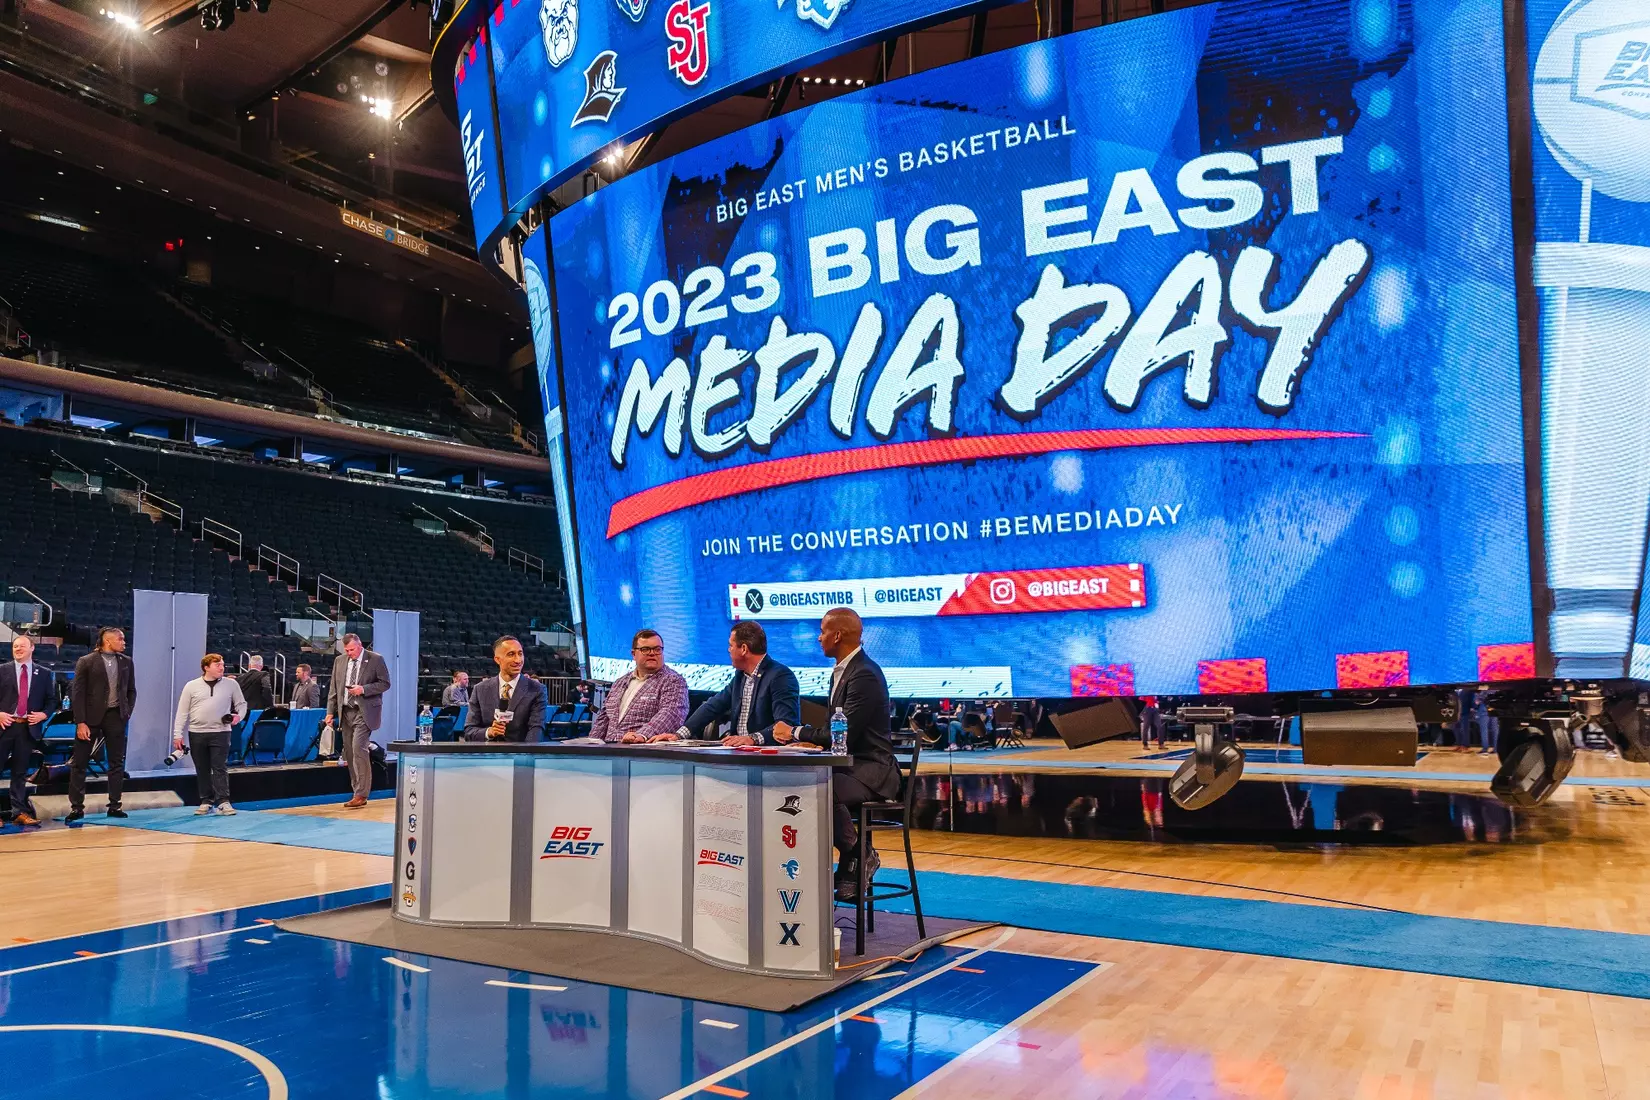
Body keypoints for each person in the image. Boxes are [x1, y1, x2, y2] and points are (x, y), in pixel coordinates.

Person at [772, 608, 899, 902]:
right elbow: (837, 733)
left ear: (838, 635)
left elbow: (842, 732)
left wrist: (796, 732)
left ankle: (856, 853)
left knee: (819, 790)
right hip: (850, 765)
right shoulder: (843, 672)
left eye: (823, 631)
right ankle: (855, 855)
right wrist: (815, 744)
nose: (819, 638)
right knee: (806, 785)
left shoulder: (864, 674)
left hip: (872, 771)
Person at [664, 622, 799, 745]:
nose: (729, 650)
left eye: (731, 645)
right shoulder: (740, 676)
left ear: (744, 649)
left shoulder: (780, 676)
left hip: (768, 756)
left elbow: (786, 724)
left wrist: (752, 739)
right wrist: (678, 735)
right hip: (739, 753)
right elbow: (713, 706)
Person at [68, 626, 136, 823]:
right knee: (79, 763)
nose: (124, 643)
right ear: (108, 641)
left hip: (115, 716)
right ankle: (77, 808)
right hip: (89, 718)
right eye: (121, 640)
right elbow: (78, 693)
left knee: (116, 763)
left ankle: (115, 806)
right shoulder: (86, 661)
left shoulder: (127, 662)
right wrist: (80, 722)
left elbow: (131, 690)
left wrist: (127, 711)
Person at [172, 653, 248, 815]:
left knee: (219, 766)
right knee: (202, 768)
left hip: (221, 732)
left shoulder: (231, 684)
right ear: (206, 667)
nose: (222, 667)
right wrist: (177, 734)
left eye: (222, 664)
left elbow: (242, 704)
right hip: (197, 732)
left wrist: (238, 717)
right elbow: (182, 712)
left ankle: (224, 801)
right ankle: (206, 800)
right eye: (217, 665)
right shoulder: (191, 686)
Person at [322, 633, 390, 809]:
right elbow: (333, 689)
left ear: (360, 646)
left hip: (364, 711)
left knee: (358, 747)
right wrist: (330, 712)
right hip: (345, 712)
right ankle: (356, 790)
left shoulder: (375, 659)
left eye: (352, 649)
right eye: (346, 650)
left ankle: (361, 793)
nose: (349, 652)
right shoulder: (340, 661)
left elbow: (385, 683)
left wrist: (364, 689)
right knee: (350, 753)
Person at [590, 629, 688, 743]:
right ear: (633, 654)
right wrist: (590, 744)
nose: (652, 653)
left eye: (657, 649)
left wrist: (641, 735)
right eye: (645, 649)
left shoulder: (673, 680)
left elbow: (670, 714)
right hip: (610, 753)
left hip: (642, 752)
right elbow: (604, 719)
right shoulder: (619, 682)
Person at [0, 634, 53, 827]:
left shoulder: (44, 673)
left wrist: (43, 715)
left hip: (27, 728)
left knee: (20, 772)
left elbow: (51, 700)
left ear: (32, 648)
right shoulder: (2, 670)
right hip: (4, 726)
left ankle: (19, 812)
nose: (18, 649)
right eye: (15, 647)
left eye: (22, 646)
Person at [464, 637, 547, 742]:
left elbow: (536, 729)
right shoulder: (480, 690)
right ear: (497, 659)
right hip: (488, 756)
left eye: (520, 654)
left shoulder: (537, 689)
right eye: (511, 654)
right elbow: (469, 731)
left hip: (520, 756)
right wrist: (489, 732)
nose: (518, 660)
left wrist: (525, 755)